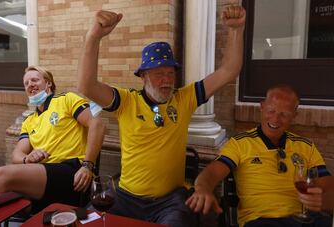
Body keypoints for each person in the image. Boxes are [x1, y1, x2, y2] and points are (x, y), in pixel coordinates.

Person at [77, 5, 246, 227]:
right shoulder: (127, 101)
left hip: (169, 201)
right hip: (125, 197)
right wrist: (94, 36)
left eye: (170, 73)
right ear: (143, 76)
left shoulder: (185, 99)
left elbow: (229, 71)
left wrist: (236, 31)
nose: (166, 79)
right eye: (158, 74)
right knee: (87, 223)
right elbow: (86, 86)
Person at [186, 84, 334, 227]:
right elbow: (212, 172)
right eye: (271, 111)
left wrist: (326, 201)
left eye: (284, 114)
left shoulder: (305, 146)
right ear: (262, 108)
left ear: (294, 115)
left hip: (305, 219)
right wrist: (203, 188)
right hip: (262, 220)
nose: (275, 119)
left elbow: (328, 184)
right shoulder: (240, 143)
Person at [0, 66, 105, 212]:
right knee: (1, 197)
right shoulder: (29, 121)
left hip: (73, 174)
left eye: (35, 80)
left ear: (48, 83)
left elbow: (97, 124)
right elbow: (17, 155)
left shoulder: (66, 99)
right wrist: (27, 159)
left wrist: (87, 166)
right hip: (44, 174)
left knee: (0, 176)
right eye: (26, 83)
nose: (30, 84)